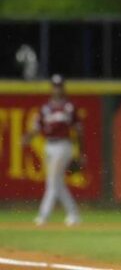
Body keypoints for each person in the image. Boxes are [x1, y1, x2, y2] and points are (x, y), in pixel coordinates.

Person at [22, 74, 83, 227]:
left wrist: (81, 153)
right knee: (57, 183)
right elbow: (37, 127)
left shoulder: (69, 107)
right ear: (52, 88)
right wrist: (28, 137)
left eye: (59, 86)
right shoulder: (46, 108)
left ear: (63, 88)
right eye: (55, 86)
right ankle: (74, 214)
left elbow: (79, 131)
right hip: (49, 145)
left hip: (64, 146)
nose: (57, 89)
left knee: (52, 182)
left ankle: (43, 216)